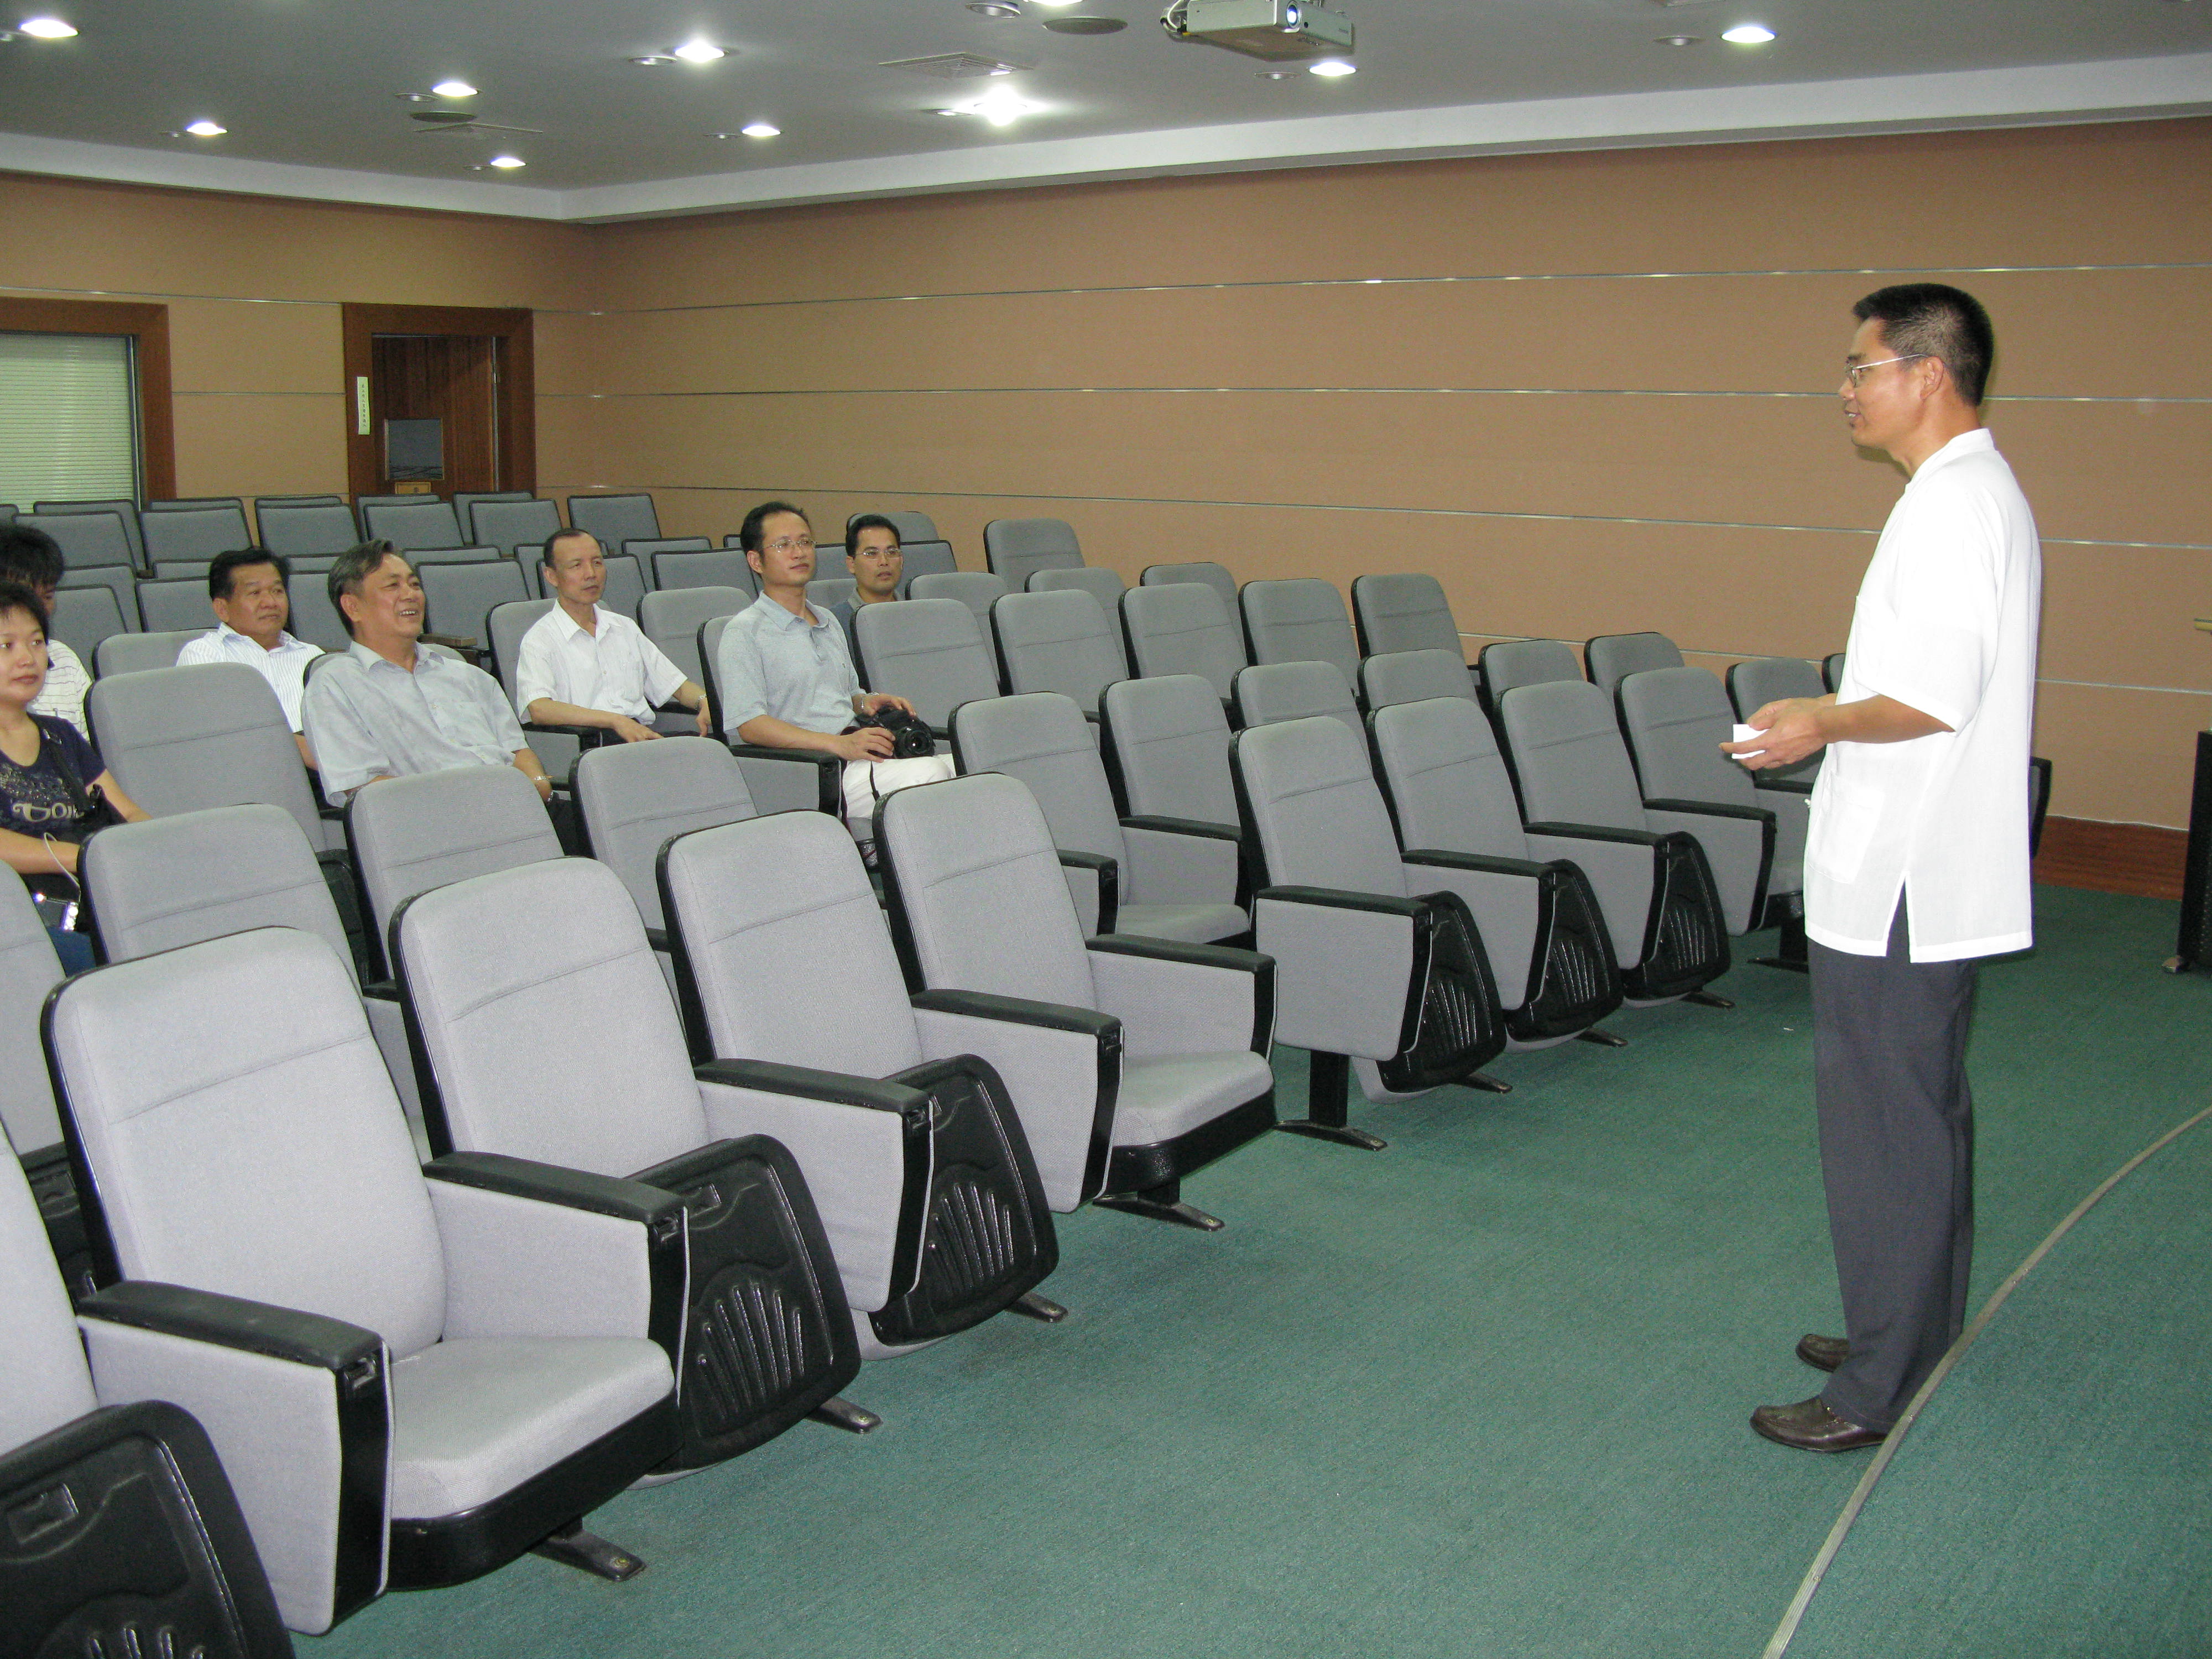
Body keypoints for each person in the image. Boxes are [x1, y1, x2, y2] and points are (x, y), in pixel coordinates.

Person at [1727, 284, 2041, 1453]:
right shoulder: (1963, 494)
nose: (1846, 392)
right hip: (1921, 866)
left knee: (1880, 1127)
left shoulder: (1953, 508)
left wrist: (1813, 718)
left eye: (1860, 369)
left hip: (1904, 877)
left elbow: (1929, 700)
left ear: (1928, 373)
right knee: (1919, 1111)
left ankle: (1871, 1384)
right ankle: (1911, 1325)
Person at [712, 500, 952, 838]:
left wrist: (866, 701)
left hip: (853, 752)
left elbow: (848, 696)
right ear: (756, 561)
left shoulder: (827, 621)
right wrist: (836, 745)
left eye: (805, 542)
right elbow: (749, 726)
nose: (798, 553)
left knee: (962, 765)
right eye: (783, 545)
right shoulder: (744, 632)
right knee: (929, 773)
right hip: (814, 768)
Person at [300, 540, 561, 816]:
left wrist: (540, 786)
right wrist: (478, 801)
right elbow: (366, 789)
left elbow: (519, 752)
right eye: (393, 586)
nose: (411, 594)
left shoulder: (468, 676)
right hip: (431, 826)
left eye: (414, 585)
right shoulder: (334, 685)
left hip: (516, 810)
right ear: (353, 607)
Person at [0, 579, 150, 973]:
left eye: (36, 642)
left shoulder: (59, 735)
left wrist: (153, 848)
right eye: (6, 646)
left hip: (86, 898)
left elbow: (128, 813)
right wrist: (85, 856)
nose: (27, 658)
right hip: (18, 918)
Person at [514, 529, 711, 740]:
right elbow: (540, 708)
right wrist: (615, 721)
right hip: (590, 743)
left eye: (597, 563)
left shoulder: (624, 627)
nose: (591, 574)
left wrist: (704, 701)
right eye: (576, 565)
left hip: (639, 738)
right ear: (552, 576)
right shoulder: (541, 639)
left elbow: (677, 687)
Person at [175, 547, 323, 764]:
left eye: (277, 591)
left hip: (326, 772)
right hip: (250, 768)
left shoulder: (312, 655)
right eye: (255, 593)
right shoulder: (205, 655)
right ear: (222, 608)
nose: (270, 602)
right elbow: (228, 735)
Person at [0, 524, 92, 739]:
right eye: (25, 596)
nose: (38, 608)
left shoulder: (64, 658)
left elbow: (91, 752)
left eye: (48, 596)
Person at [828, 515, 904, 661]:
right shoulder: (834, 626)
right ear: (851, 564)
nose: (884, 561)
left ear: (901, 561)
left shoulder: (920, 616)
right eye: (871, 554)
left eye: (892, 552)